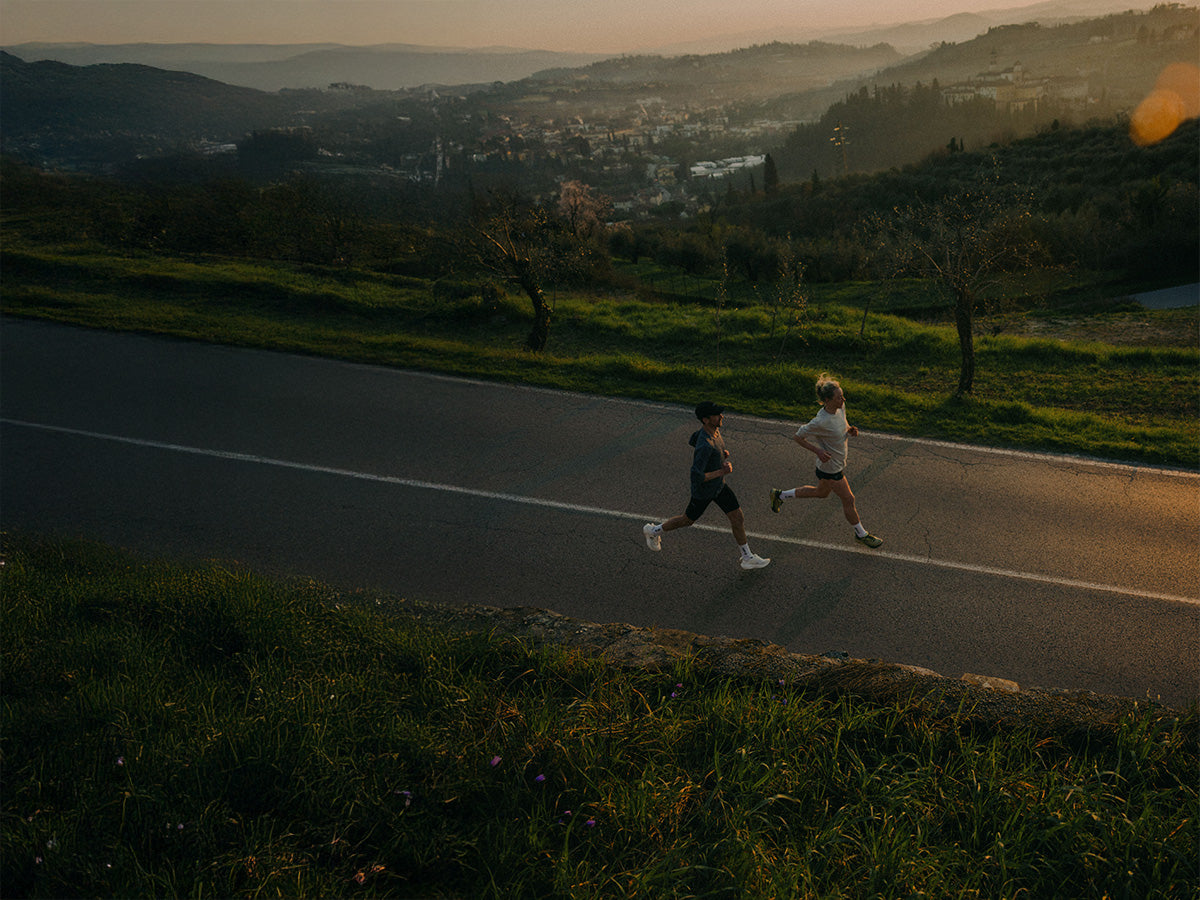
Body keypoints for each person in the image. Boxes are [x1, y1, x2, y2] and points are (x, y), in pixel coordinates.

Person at [643, 400, 771, 570]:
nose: (721, 416)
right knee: (687, 520)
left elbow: (692, 439)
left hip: (718, 487)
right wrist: (721, 471)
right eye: (717, 415)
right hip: (703, 491)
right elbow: (697, 476)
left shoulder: (714, 432)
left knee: (737, 517)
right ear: (706, 419)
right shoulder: (705, 445)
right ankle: (653, 531)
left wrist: (719, 456)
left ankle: (747, 557)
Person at [769, 375, 883, 548]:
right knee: (849, 499)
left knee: (821, 493)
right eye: (839, 397)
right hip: (830, 468)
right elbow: (797, 437)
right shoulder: (820, 421)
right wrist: (818, 450)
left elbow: (842, 424)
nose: (843, 399)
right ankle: (861, 534)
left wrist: (849, 430)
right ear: (827, 400)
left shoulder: (840, 407)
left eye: (842, 396)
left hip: (834, 464)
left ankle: (779, 495)